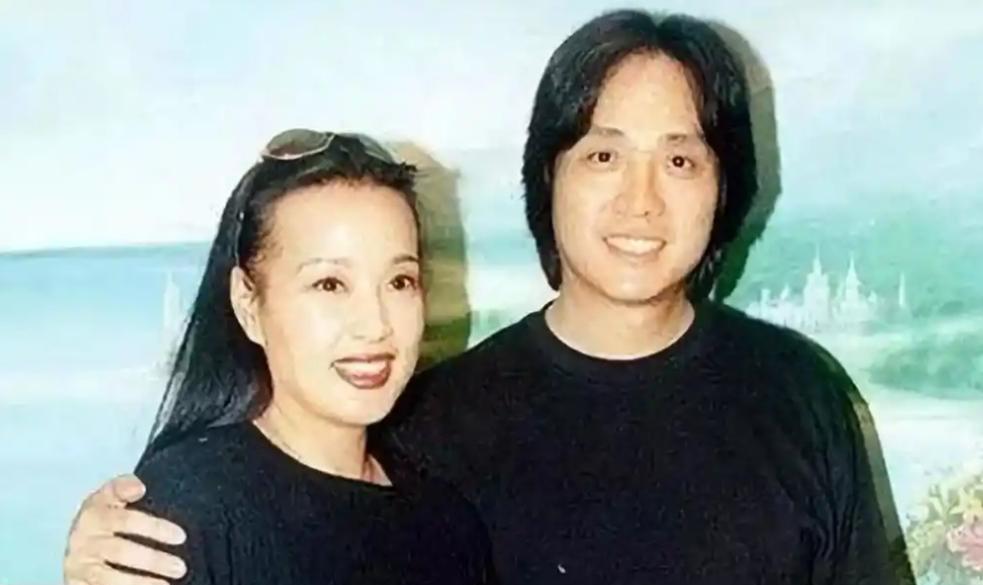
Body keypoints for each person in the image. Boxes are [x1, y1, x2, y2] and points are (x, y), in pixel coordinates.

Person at [64, 10, 899, 585]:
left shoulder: (799, 393)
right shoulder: (424, 426)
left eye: (679, 160)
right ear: (547, 175)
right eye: (603, 155)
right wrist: (114, 540)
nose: (640, 201)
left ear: (723, 186)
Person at [67, 128, 495, 585]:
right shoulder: (184, 514)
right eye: (330, 284)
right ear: (248, 304)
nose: (375, 325)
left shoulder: (447, 522)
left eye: (399, 282)